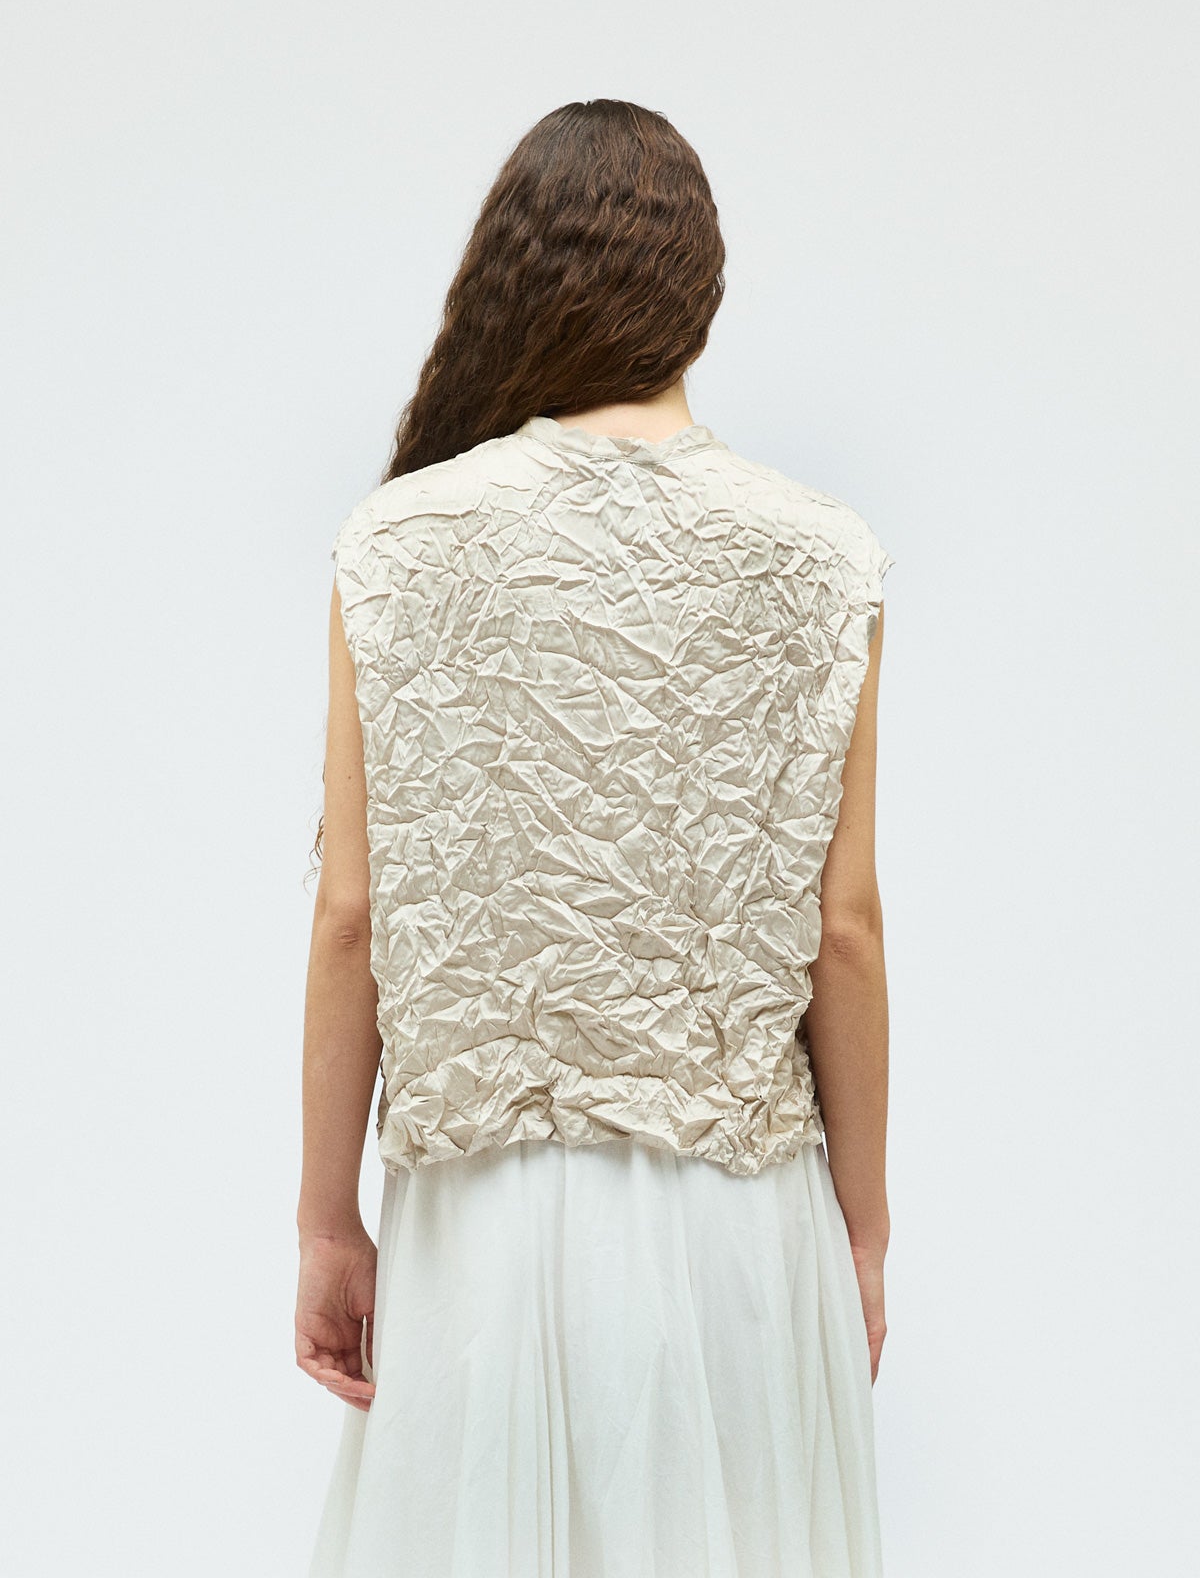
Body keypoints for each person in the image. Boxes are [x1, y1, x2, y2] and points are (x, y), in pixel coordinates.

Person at [296, 98, 894, 1578]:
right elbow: (844, 931)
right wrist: (865, 1228)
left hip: (483, 1232)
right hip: (743, 1218)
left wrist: (326, 1223)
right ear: (703, 294)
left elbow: (352, 917)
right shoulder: (822, 556)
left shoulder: (399, 542)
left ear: (516, 282)